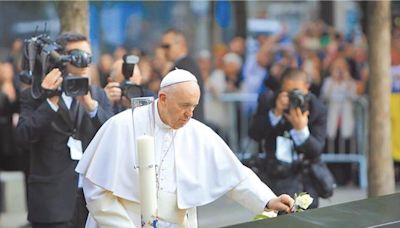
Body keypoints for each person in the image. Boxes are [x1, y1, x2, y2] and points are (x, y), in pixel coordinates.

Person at [76, 69, 295, 227]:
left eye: (194, 107)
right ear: (163, 99)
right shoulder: (122, 125)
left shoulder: (196, 131)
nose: (190, 114)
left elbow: (235, 176)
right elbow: (97, 189)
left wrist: (268, 200)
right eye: (184, 106)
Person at [16, 32, 113, 228]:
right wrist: (50, 102)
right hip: (51, 203)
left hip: (92, 202)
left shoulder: (98, 95)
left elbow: (112, 138)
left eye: (88, 56)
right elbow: (23, 137)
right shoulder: (35, 95)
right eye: (77, 55)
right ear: (59, 58)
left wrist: (91, 106)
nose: (84, 62)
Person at [249, 68, 327, 208]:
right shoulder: (269, 101)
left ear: (307, 87)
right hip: (274, 176)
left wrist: (302, 130)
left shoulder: (317, 108)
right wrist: (275, 114)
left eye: (296, 92)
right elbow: (254, 134)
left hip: (305, 180)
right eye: (287, 92)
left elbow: (316, 151)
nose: (292, 98)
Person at [161, 29, 204, 122]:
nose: (164, 50)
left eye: (167, 46)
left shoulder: (184, 66)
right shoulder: (185, 64)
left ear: (181, 45)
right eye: (163, 47)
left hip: (187, 123)